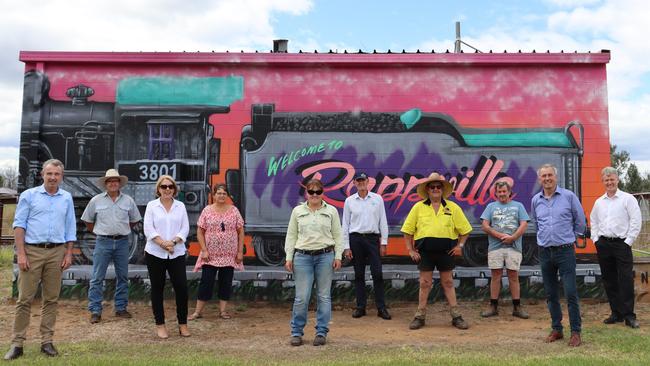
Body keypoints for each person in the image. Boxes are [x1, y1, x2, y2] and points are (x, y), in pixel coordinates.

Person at [5, 159, 76, 360]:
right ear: (42, 175)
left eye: (57, 174)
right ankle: (17, 344)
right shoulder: (29, 196)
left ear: (61, 177)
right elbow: (19, 226)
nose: (53, 177)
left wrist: (69, 253)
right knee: (24, 299)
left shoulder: (66, 198)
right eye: (49, 173)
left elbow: (70, 227)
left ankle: (47, 342)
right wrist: (21, 254)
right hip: (32, 251)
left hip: (56, 252)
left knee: (51, 299)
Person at [401, 172, 472, 330]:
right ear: (427, 189)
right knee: (425, 283)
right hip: (425, 252)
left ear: (442, 189)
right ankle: (420, 316)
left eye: (438, 187)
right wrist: (410, 250)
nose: (435, 189)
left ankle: (456, 316)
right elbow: (407, 231)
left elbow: (465, 230)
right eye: (432, 187)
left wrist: (459, 246)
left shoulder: (452, 207)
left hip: (446, 252)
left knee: (448, 282)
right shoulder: (418, 207)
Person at [531, 163, 586, 347]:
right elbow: (536, 223)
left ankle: (576, 332)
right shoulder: (535, 200)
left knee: (570, 293)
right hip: (545, 252)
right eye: (543, 176)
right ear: (540, 179)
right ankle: (557, 329)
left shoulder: (569, 197)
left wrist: (570, 238)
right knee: (550, 293)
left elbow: (580, 221)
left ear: (556, 177)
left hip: (565, 251)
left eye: (550, 175)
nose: (547, 178)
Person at [285, 179, 343, 347]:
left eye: (318, 191)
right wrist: (289, 257)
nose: (315, 195)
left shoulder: (331, 211)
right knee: (302, 297)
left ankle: (321, 332)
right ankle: (296, 332)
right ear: (306, 193)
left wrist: (338, 256)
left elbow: (338, 235)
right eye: (311, 191)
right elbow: (291, 235)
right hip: (302, 257)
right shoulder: (297, 211)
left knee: (324, 296)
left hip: (325, 256)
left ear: (323, 193)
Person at [82, 169, 141, 324]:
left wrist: (122, 229)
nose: (113, 183)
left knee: (122, 276)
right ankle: (95, 310)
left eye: (115, 180)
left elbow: (134, 219)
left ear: (119, 183)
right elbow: (88, 220)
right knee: (97, 277)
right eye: (109, 181)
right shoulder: (96, 200)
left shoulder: (128, 201)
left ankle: (120, 308)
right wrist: (99, 230)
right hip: (103, 241)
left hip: (122, 242)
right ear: (105, 184)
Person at [590, 166, 642, 329]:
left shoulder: (627, 199)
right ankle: (616, 313)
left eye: (612, 179)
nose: (609, 182)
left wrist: (628, 241)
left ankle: (629, 316)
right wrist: (596, 240)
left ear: (617, 180)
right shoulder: (599, 202)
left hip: (622, 244)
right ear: (603, 182)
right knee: (609, 280)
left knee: (625, 279)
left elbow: (636, 220)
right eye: (606, 180)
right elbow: (594, 222)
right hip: (604, 244)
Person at [143, 175, 190, 339]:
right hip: (155, 252)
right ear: (158, 189)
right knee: (157, 288)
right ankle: (160, 325)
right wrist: (163, 244)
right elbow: (148, 229)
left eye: (170, 186)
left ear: (174, 189)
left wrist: (173, 243)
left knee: (182, 288)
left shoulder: (181, 206)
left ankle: (183, 324)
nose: (167, 189)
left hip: (176, 252)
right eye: (164, 187)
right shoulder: (151, 206)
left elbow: (185, 228)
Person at [189, 184, 244, 320]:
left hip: (229, 255)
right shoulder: (207, 211)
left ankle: (223, 311)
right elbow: (200, 232)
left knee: (226, 282)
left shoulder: (234, 211)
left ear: (227, 196)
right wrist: (204, 250)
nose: (221, 196)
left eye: (224, 193)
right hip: (210, 256)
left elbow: (241, 231)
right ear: (213, 195)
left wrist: (239, 252)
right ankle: (198, 312)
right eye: (219, 193)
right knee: (206, 282)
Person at [342, 172, 391, 320]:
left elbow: (383, 221)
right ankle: (360, 307)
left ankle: (381, 308)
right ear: (355, 183)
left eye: (363, 180)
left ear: (368, 181)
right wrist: (346, 246)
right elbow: (345, 224)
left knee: (377, 274)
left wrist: (384, 242)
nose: (361, 183)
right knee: (358, 274)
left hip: (372, 239)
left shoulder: (377, 199)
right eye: (358, 181)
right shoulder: (349, 201)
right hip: (356, 239)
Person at [479, 180, 530, 319]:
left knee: (513, 276)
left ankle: (517, 307)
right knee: (496, 276)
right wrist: (501, 236)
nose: (502, 194)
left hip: (514, 247)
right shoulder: (490, 206)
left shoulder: (518, 206)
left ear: (509, 193)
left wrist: (513, 238)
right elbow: (485, 225)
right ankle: (493, 306)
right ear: (496, 193)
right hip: (495, 247)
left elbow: (524, 224)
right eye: (499, 192)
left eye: (504, 191)